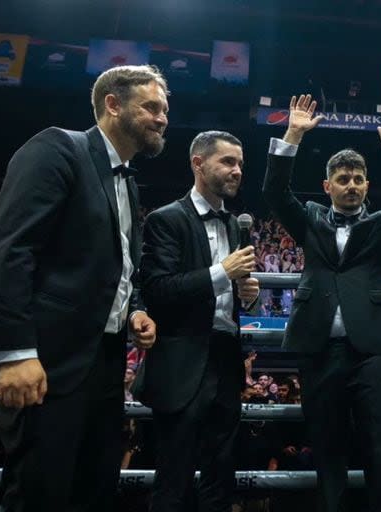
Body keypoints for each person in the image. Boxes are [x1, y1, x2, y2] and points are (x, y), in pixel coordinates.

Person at [0, 64, 164, 511]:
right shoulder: (59, 148)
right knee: (39, 494)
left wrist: (134, 309)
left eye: (165, 109)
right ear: (112, 105)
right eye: (151, 107)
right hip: (49, 363)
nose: (162, 118)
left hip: (103, 363)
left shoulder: (127, 183)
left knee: (93, 491)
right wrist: (16, 353)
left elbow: (118, 270)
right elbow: (10, 252)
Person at [262, 94, 381, 512]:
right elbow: (275, 193)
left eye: (358, 178)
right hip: (319, 348)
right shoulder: (311, 220)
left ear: (367, 185)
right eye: (343, 179)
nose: (351, 185)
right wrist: (292, 135)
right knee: (327, 452)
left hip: (372, 350)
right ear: (327, 186)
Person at [136, 131, 259, 511]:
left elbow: (229, 302)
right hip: (182, 361)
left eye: (239, 163)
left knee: (221, 480)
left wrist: (247, 299)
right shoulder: (166, 220)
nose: (237, 170)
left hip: (225, 360)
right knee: (173, 479)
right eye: (227, 161)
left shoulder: (237, 225)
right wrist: (222, 272)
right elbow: (157, 289)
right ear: (198, 164)